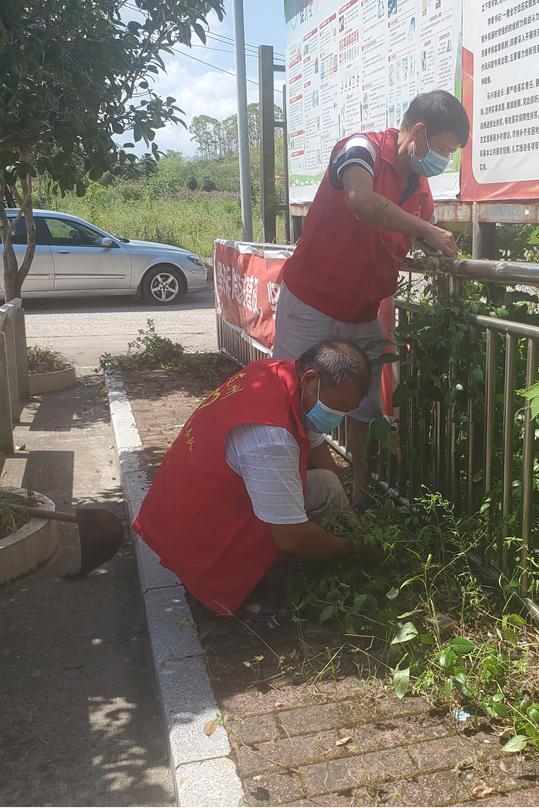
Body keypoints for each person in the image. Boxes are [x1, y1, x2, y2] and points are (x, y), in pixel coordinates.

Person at [272, 90, 470, 509]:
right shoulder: (360, 149)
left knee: (366, 406)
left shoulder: (420, 189)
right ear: (417, 132)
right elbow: (360, 201)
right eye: (442, 150)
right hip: (310, 303)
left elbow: (428, 237)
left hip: (362, 313)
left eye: (450, 154)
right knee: (289, 399)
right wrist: (428, 231)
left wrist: (441, 247)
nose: (442, 160)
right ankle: (282, 505)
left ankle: (358, 496)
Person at [132, 340, 374, 616]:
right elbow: (290, 536)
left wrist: (347, 516)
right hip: (205, 533)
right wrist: (352, 549)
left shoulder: (274, 373)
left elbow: (316, 445)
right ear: (311, 379)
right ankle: (242, 584)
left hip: (183, 502)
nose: (339, 417)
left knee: (327, 486)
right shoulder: (272, 440)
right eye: (339, 406)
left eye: (347, 410)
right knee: (298, 525)